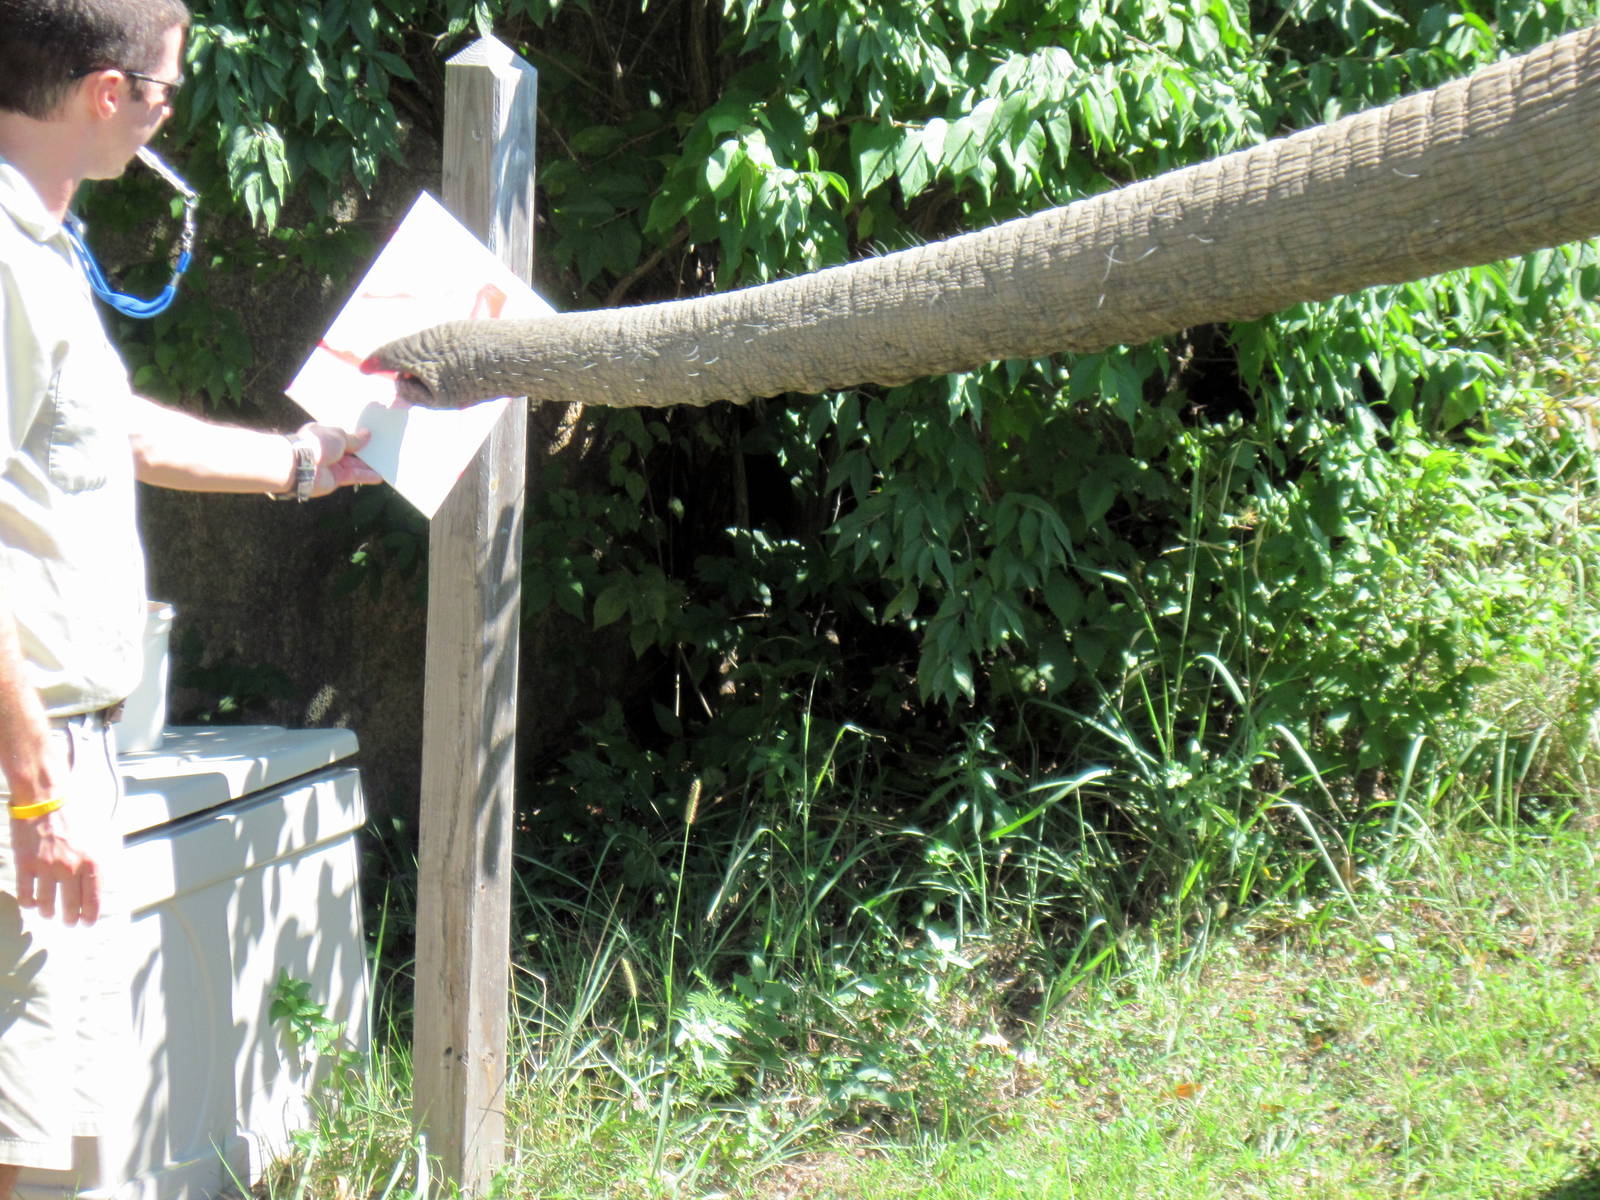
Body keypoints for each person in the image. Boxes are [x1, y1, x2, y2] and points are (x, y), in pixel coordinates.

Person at [0, 0, 381, 1191]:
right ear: (104, 95)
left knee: (57, 1136)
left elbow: (109, 432)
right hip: (30, 765)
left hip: (66, 752)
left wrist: (304, 464)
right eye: (164, 92)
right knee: (28, 1145)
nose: (170, 115)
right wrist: (31, 795)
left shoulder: (41, 244)